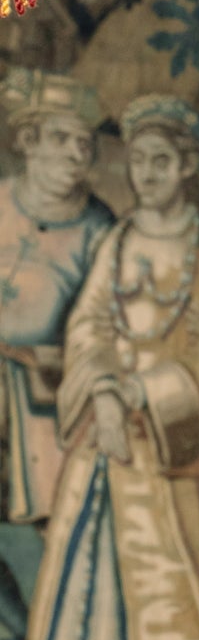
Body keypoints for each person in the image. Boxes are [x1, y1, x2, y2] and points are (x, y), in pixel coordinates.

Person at [8, 95, 199, 640]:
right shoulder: (115, 242)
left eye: (161, 161)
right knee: (91, 588)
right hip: (108, 450)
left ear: (186, 167)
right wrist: (107, 393)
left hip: (178, 461)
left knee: (176, 601)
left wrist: (145, 394)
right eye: (138, 160)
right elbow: (87, 329)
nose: (146, 174)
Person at [0, 71, 113, 530]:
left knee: (53, 525)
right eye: (62, 138)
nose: (75, 154)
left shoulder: (99, 228)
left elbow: (105, 323)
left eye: (84, 144)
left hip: (50, 399)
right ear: (28, 141)